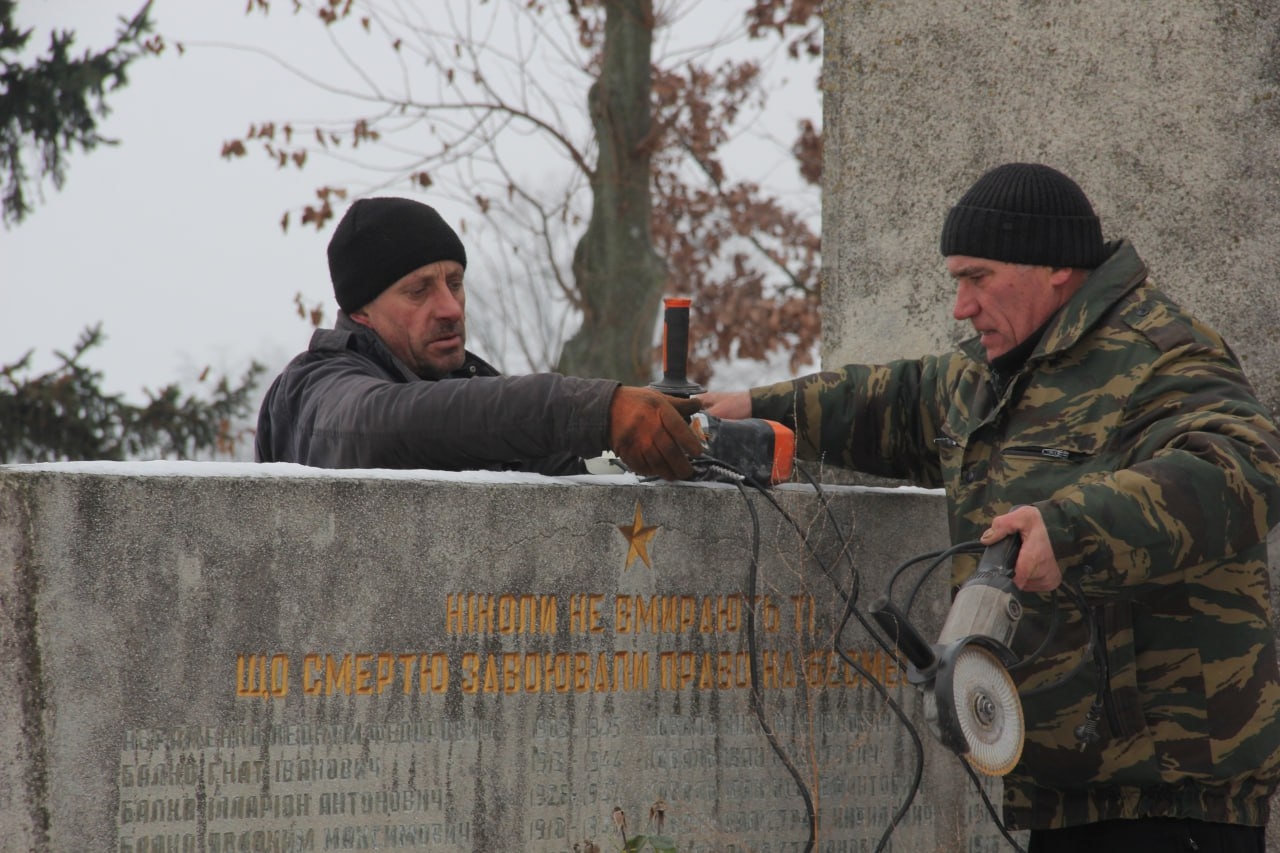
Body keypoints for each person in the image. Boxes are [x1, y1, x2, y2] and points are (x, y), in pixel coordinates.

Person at [701, 163, 1280, 851]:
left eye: (978, 278)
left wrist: (1067, 529)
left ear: (1055, 269)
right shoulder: (988, 376)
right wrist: (737, 411)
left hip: (1170, 796)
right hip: (1063, 793)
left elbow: (1246, 465)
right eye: (956, 281)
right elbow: (881, 403)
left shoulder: (1163, 357)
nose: (961, 306)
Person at [256, 196, 702, 480]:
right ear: (360, 312)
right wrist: (595, 408)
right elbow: (381, 428)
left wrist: (677, 430)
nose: (450, 308)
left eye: (454, 282)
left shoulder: (459, 391)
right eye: (419, 291)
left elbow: (560, 468)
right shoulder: (315, 387)